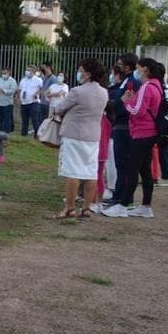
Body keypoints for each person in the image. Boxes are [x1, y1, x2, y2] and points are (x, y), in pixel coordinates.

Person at [104, 57, 164, 218]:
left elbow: (137, 110)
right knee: (144, 170)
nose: (136, 71)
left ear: (145, 70)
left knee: (132, 169)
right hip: (150, 132)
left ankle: (124, 204)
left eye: (138, 68)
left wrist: (126, 102)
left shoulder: (147, 86)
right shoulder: (157, 86)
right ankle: (145, 205)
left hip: (142, 132)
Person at [51, 58, 109, 219]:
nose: (79, 73)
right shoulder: (104, 92)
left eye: (81, 70)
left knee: (72, 171)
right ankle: (86, 208)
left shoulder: (77, 92)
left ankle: (70, 208)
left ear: (88, 74)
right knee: (91, 172)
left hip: (74, 135)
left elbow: (59, 108)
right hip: (93, 136)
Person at [105, 53, 140, 204]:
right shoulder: (126, 81)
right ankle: (118, 195)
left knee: (123, 163)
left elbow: (126, 105)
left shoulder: (132, 82)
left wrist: (114, 105)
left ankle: (123, 197)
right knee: (120, 163)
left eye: (120, 63)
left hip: (124, 126)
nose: (117, 65)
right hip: (119, 125)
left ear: (127, 66)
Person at [18, 66, 44, 138]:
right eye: (26, 70)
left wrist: (37, 93)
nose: (27, 71)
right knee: (24, 119)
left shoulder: (38, 80)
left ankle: (37, 135)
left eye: (29, 70)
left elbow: (42, 88)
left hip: (33, 102)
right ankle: (23, 134)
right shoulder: (23, 80)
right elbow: (20, 89)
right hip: (24, 102)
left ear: (33, 72)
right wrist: (18, 98)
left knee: (35, 120)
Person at [0, 69, 18, 133]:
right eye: (2, 73)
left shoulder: (12, 81)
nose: (3, 75)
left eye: (5, 73)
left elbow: (13, 91)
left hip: (8, 103)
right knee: (0, 118)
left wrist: (4, 91)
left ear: (9, 73)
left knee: (7, 118)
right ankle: (0, 131)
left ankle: (7, 132)